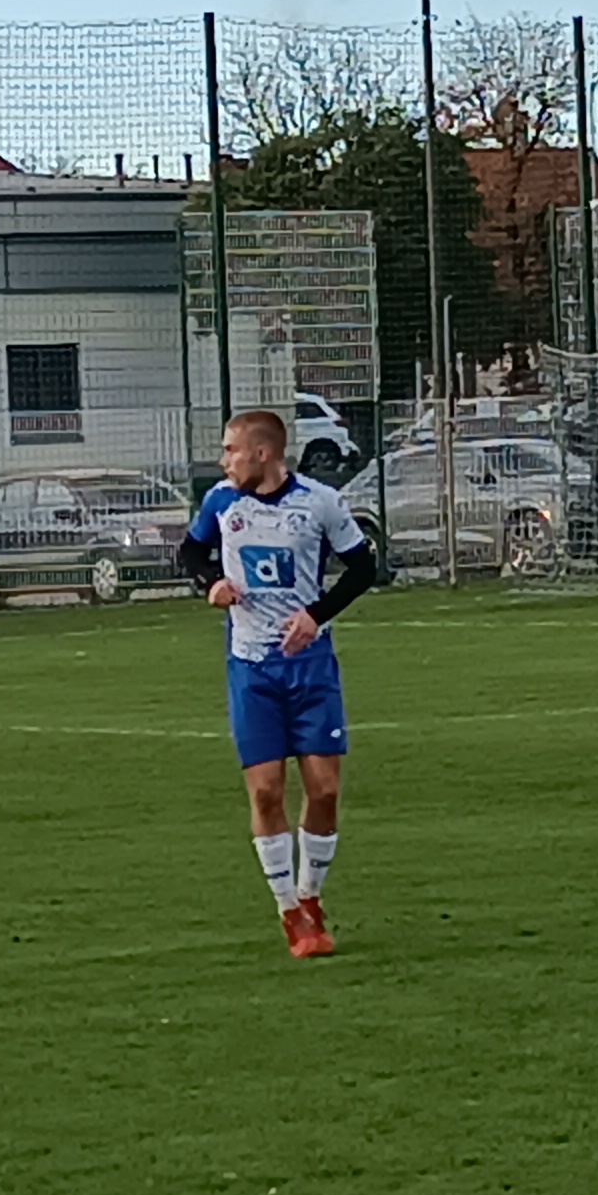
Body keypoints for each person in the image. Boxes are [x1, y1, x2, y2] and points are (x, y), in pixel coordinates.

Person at [177, 409, 378, 959]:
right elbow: (190, 551)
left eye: (231, 450)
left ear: (262, 453)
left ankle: (311, 895)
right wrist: (211, 582)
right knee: (266, 791)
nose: (224, 461)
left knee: (325, 791)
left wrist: (315, 614)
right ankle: (289, 910)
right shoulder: (222, 501)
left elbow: (363, 568)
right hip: (252, 668)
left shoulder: (320, 502)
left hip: (311, 667)